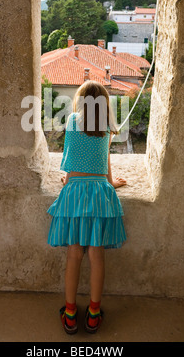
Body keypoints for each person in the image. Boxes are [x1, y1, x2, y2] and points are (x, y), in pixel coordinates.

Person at [47, 80, 127, 334]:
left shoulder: (71, 121)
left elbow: (68, 157)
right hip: (99, 192)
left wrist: (70, 180)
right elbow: (105, 159)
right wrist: (111, 183)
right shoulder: (106, 127)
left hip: (76, 191)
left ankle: (70, 313)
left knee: (74, 254)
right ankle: (94, 313)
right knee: (96, 254)